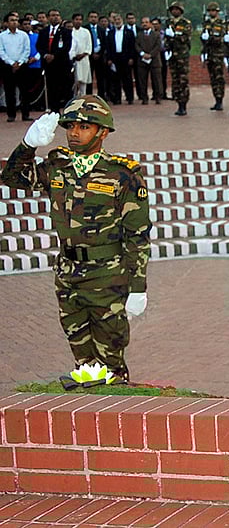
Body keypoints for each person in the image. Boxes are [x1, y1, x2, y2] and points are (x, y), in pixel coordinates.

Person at [0, 95, 151, 387]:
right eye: (70, 126)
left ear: (102, 132)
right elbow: (12, 177)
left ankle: (113, 414)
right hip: (69, 273)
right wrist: (28, 145)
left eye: (84, 127)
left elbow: (137, 235)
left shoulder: (123, 175)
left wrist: (138, 288)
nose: (74, 133)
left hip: (107, 275)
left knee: (110, 362)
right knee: (82, 357)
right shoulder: (57, 166)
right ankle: (86, 413)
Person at [38, 10, 75, 111]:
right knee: (52, 89)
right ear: (48, 17)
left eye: (57, 15)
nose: (55, 17)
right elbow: (39, 46)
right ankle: (55, 111)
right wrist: (46, 55)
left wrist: (54, 55)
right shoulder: (44, 32)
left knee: (66, 89)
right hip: (49, 65)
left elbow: (66, 47)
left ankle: (69, 110)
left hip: (62, 64)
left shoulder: (66, 32)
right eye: (53, 15)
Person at [0, 13, 31, 122]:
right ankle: (11, 114)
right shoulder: (2, 36)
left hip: (22, 66)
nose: (14, 22)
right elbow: (1, 51)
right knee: (9, 91)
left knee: (24, 92)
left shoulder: (23, 35)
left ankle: (25, 114)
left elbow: (27, 50)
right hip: (8, 66)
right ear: (6, 23)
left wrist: (20, 62)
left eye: (16, 20)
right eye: (12, 20)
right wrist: (11, 63)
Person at [163, 2, 192, 116]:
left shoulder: (185, 23)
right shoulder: (168, 22)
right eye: (173, 9)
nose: (174, 11)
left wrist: (174, 35)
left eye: (177, 9)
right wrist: (166, 47)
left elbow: (185, 38)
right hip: (172, 55)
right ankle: (178, 103)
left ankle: (183, 104)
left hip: (182, 55)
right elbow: (166, 38)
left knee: (183, 80)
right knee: (175, 80)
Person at [200, 2, 228, 111]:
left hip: (218, 54)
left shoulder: (221, 23)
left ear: (217, 12)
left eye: (213, 11)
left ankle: (220, 100)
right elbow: (203, 39)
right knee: (212, 78)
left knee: (219, 78)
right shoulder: (206, 23)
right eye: (210, 11)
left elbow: (222, 39)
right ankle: (216, 99)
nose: (212, 12)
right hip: (209, 54)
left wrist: (210, 38)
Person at [134, 17, 163, 105]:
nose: (144, 24)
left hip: (154, 60)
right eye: (143, 23)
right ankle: (144, 98)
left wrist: (150, 55)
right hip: (142, 60)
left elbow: (158, 46)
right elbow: (136, 45)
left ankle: (158, 97)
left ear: (150, 24)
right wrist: (142, 53)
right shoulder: (139, 35)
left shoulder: (156, 34)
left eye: (146, 22)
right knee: (142, 80)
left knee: (157, 80)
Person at [69, 14, 93, 98]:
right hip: (73, 60)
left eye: (80, 19)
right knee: (74, 82)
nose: (78, 21)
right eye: (76, 19)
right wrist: (74, 56)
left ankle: (83, 99)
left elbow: (89, 46)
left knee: (83, 81)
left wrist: (82, 55)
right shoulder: (70, 32)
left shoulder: (86, 32)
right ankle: (73, 100)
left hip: (84, 59)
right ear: (72, 20)